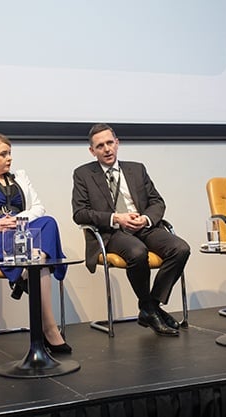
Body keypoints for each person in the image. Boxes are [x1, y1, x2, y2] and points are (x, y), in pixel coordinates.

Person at [0, 132, 71, 353]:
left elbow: (38, 207)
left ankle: (29, 267)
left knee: (49, 222)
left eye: (10, 153)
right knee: (39, 262)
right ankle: (49, 328)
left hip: (22, 236)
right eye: (3, 154)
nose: (9, 158)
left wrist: (18, 220)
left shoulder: (20, 177)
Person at [72, 123, 190, 336]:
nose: (107, 149)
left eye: (110, 143)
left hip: (143, 226)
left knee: (181, 249)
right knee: (137, 252)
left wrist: (145, 219)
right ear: (92, 151)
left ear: (117, 143)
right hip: (112, 232)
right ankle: (150, 308)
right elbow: (80, 213)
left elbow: (157, 202)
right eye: (100, 146)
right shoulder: (83, 174)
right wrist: (116, 218)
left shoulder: (137, 169)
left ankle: (150, 306)